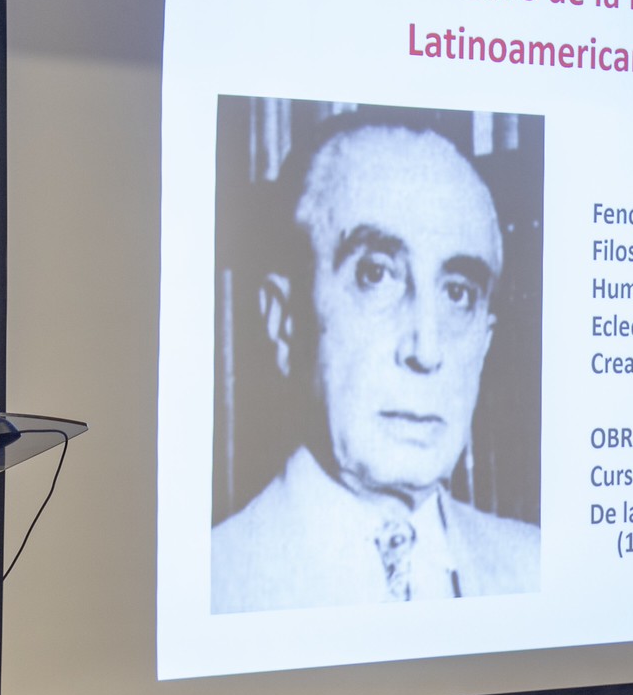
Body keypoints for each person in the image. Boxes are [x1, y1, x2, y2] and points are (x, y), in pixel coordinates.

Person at [211, 123, 539, 614]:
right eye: (376, 275)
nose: (426, 351)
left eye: (458, 293)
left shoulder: (538, 568)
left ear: (485, 342)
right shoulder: (211, 584)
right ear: (285, 324)